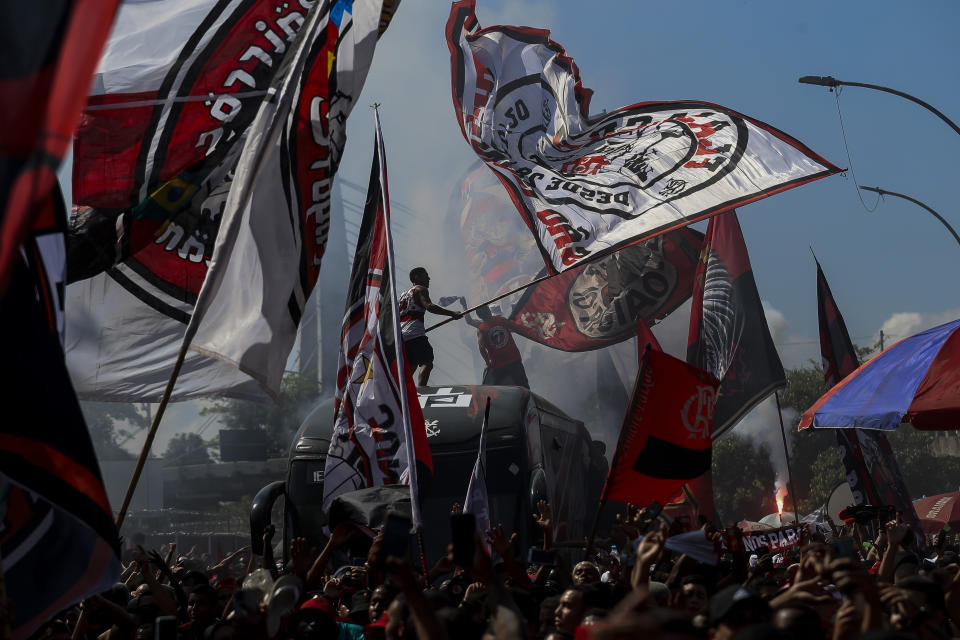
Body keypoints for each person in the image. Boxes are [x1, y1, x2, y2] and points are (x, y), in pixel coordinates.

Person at [398, 267, 461, 386]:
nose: (429, 278)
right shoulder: (420, 289)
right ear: (417, 277)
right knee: (427, 362)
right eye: (425, 275)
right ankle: (422, 389)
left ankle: (403, 391)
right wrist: (452, 314)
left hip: (402, 337)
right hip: (415, 334)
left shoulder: (403, 295)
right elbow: (429, 306)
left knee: (412, 364)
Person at [464, 304, 529, 388]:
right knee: (523, 386)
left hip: (498, 364)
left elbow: (481, 348)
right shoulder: (501, 320)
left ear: (479, 316)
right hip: (513, 359)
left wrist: (488, 362)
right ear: (489, 311)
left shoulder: (481, 328)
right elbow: (515, 327)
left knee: (494, 391)